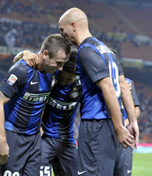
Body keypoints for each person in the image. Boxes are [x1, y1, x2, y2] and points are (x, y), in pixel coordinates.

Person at [58, 8, 139, 175]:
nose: (62, 34)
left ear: (73, 25)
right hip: (109, 124)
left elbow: (108, 87)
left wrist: (119, 126)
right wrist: (132, 122)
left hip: (96, 124)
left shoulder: (86, 50)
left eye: (62, 29)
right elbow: (123, 87)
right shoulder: (106, 50)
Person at [0, 34, 70, 176]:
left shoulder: (52, 72)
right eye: (58, 63)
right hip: (12, 136)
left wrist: (24, 52)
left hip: (33, 139)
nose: (60, 68)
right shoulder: (21, 70)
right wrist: (2, 141)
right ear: (45, 54)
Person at [40, 47, 81, 176]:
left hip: (67, 140)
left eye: (69, 80)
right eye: (63, 78)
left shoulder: (81, 84)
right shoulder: (49, 77)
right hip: (45, 138)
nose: (64, 82)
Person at [114, 78, 140, 176]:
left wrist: (124, 123)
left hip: (124, 135)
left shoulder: (128, 82)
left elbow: (136, 110)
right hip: (105, 133)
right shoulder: (100, 80)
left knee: (123, 172)